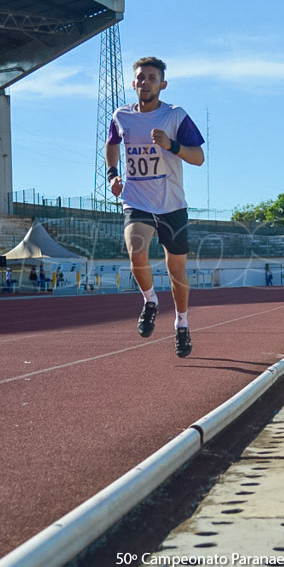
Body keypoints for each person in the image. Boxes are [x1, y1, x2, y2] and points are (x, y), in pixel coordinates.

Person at [106, 56, 205, 357]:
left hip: (172, 205)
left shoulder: (175, 116)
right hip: (136, 200)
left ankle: (182, 324)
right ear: (133, 82)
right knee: (136, 252)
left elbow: (198, 157)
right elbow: (111, 144)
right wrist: (112, 174)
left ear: (162, 84)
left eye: (152, 77)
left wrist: (171, 146)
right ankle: (150, 301)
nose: (145, 82)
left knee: (177, 271)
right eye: (141, 77)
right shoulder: (122, 116)